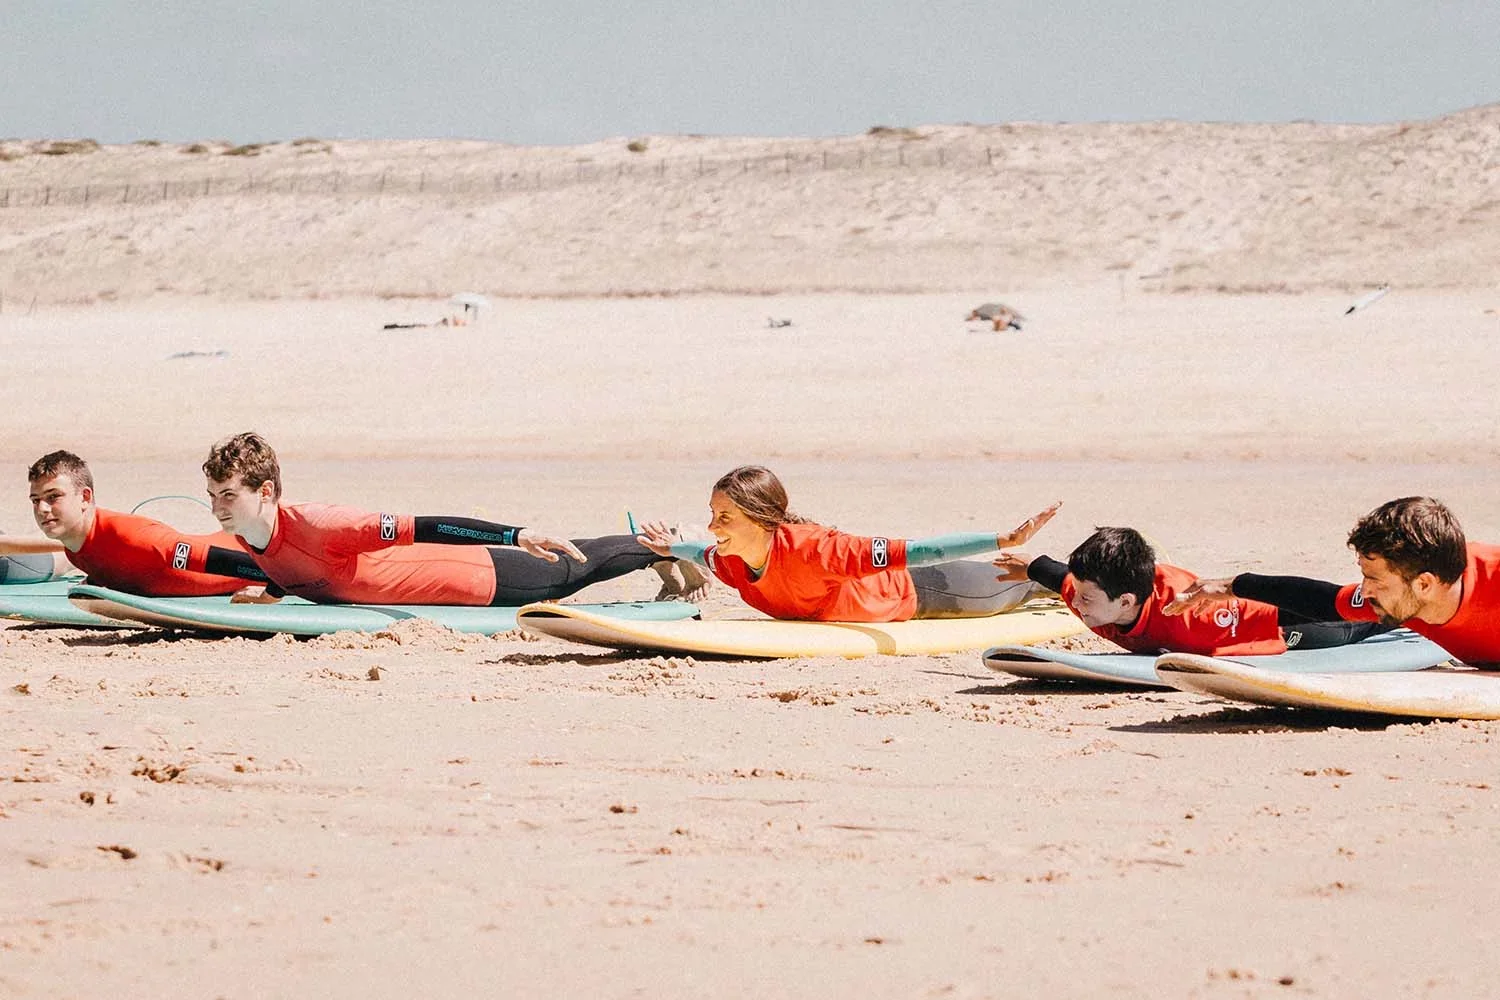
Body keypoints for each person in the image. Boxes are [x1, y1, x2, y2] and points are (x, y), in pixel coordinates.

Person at [201, 432, 707, 606]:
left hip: (473, 578)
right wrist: (270, 594)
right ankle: (658, 555)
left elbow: (427, 526)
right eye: (213, 495)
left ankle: (665, 548)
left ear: (265, 492)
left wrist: (515, 534)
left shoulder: (323, 523)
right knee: (575, 557)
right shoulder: (249, 532)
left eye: (228, 495)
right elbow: (301, 570)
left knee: (569, 572)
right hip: (453, 579)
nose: (218, 507)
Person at [635, 465, 1052, 622]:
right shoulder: (730, 560)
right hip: (905, 588)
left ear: (761, 519)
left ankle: (1069, 578)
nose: (712, 526)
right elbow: (698, 552)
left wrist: (1004, 539)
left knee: (1029, 583)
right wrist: (672, 548)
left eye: (724, 517)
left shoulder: (819, 551)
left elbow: (924, 551)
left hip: (927, 589)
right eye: (711, 514)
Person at [1163, 496, 1500, 666]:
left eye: (1374, 580)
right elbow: (1325, 601)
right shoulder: (1409, 591)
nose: (1364, 590)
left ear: (1424, 584)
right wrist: (1229, 586)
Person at [995, 526, 1388, 656]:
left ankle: (1401, 617)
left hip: (1277, 625)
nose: (1074, 603)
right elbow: (1061, 576)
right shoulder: (1091, 592)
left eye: (1084, 599)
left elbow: (1284, 607)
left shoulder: (1192, 621)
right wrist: (1029, 566)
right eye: (1076, 594)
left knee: (1353, 628)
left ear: (1127, 602)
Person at [0, 450, 268, 596]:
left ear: (85, 497)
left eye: (53, 497)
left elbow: (224, 560)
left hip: (260, 549)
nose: (42, 509)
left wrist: (274, 588)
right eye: (35, 500)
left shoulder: (135, 539)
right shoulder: (75, 543)